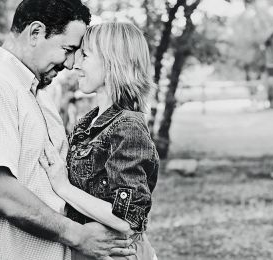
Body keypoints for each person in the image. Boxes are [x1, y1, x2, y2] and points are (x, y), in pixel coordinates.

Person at [0, 1, 135, 259]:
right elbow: (0, 191)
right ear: (35, 32)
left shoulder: (35, 91)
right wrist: (78, 236)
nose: (70, 64)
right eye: (67, 49)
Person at [40, 22, 159, 260]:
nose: (76, 64)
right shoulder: (88, 123)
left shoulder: (127, 128)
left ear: (112, 62)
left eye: (85, 55)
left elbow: (127, 218)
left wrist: (63, 187)